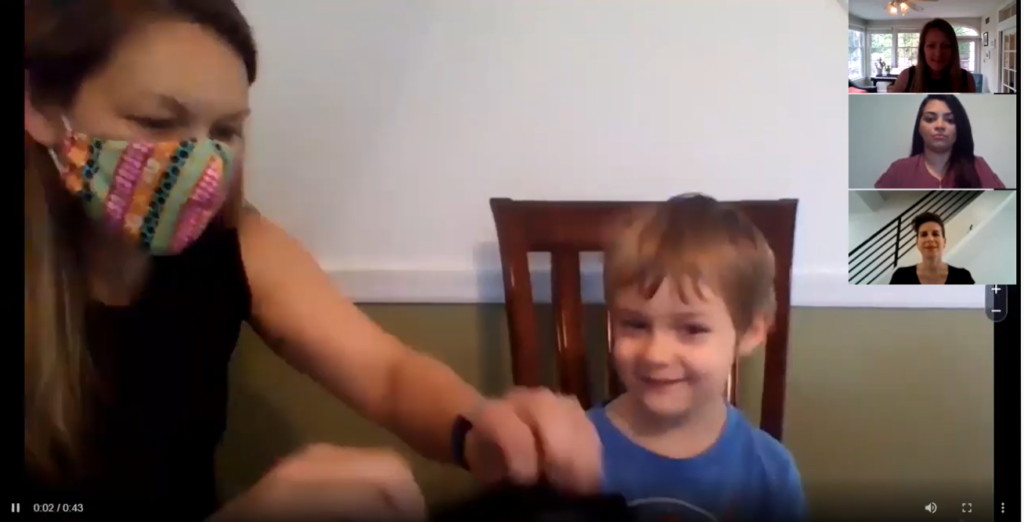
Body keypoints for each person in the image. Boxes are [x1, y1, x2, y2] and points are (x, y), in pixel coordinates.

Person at [23, 1, 601, 520]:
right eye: (156, 122)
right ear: (42, 106)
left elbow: (388, 374)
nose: (201, 165)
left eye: (225, 131)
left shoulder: (237, 242)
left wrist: (481, 430)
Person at [587, 194, 806, 522]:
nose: (656, 355)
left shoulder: (770, 473)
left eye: (691, 329)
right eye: (635, 324)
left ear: (751, 333)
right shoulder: (572, 449)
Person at [873, 95, 1005, 189]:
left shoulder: (978, 166)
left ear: (960, 128)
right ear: (919, 127)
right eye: (930, 119)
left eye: (950, 120)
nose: (940, 126)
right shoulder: (899, 170)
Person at [887, 19, 976, 94]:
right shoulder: (906, 77)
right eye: (931, 46)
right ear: (923, 49)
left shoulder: (967, 79)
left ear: (953, 49)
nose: (938, 53)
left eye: (945, 46)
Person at [889, 212, 975, 285]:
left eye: (935, 234)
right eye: (924, 234)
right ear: (917, 243)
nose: (930, 239)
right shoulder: (900, 277)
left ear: (944, 242)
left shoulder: (963, 277)